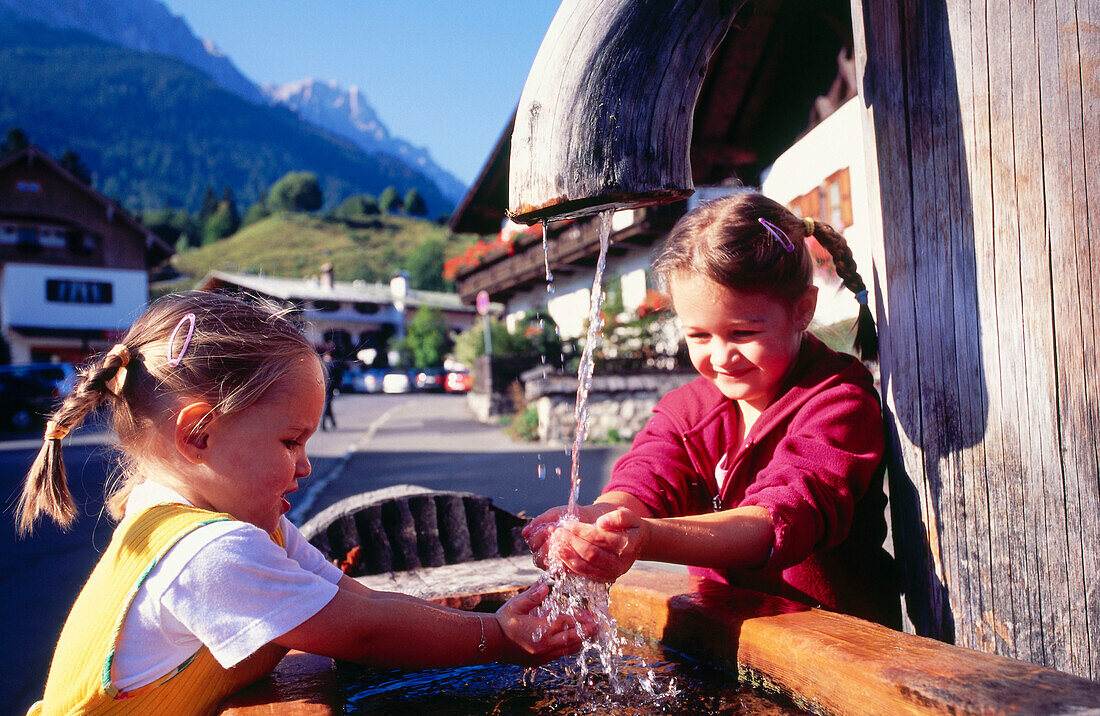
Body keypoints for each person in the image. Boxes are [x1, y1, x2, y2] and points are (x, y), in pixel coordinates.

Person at [18, 291, 587, 715]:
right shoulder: (209, 553)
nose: (306, 464)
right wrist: (500, 641)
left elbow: (358, 603)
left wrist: (489, 619)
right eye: (290, 442)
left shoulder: (245, 525)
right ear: (197, 434)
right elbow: (366, 634)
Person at [524, 192, 899, 627]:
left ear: (803, 310)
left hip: (840, 644)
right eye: (699, 336)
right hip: (726, 633)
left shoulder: (838, 401)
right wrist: (597, 520)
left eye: (742, 332)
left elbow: (779, 521)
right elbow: (645, 478)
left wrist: (643, 538)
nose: (721, 357)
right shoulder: (689, 410)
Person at [320, 351, 341, 431]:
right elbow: (338, 378)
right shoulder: (333, 365)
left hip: (323, 389)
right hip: (330, 389)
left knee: (328, 406)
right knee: (327, 406)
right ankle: (323, 424)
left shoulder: (321, 366)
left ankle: (332, 423)